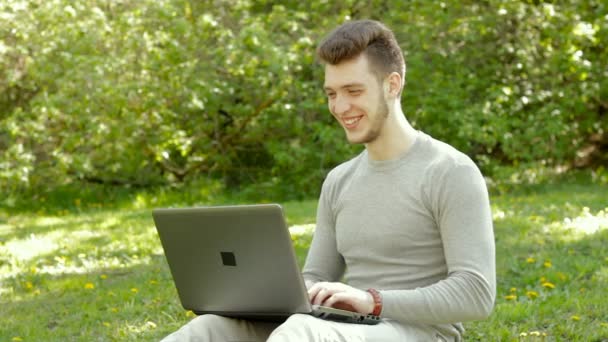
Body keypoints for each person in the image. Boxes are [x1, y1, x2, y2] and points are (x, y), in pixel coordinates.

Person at [162, 19, 495, 342]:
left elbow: (476, 293)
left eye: (353, 90)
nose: (340, 106)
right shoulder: (340, 181)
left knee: (302, 333)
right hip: (346, 326)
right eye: (332, 93)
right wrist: (275, 296)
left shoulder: (450, 170)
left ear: (392, 85)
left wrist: (373, 301)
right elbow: (316, 276)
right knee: (206, 329)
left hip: (421, 332)